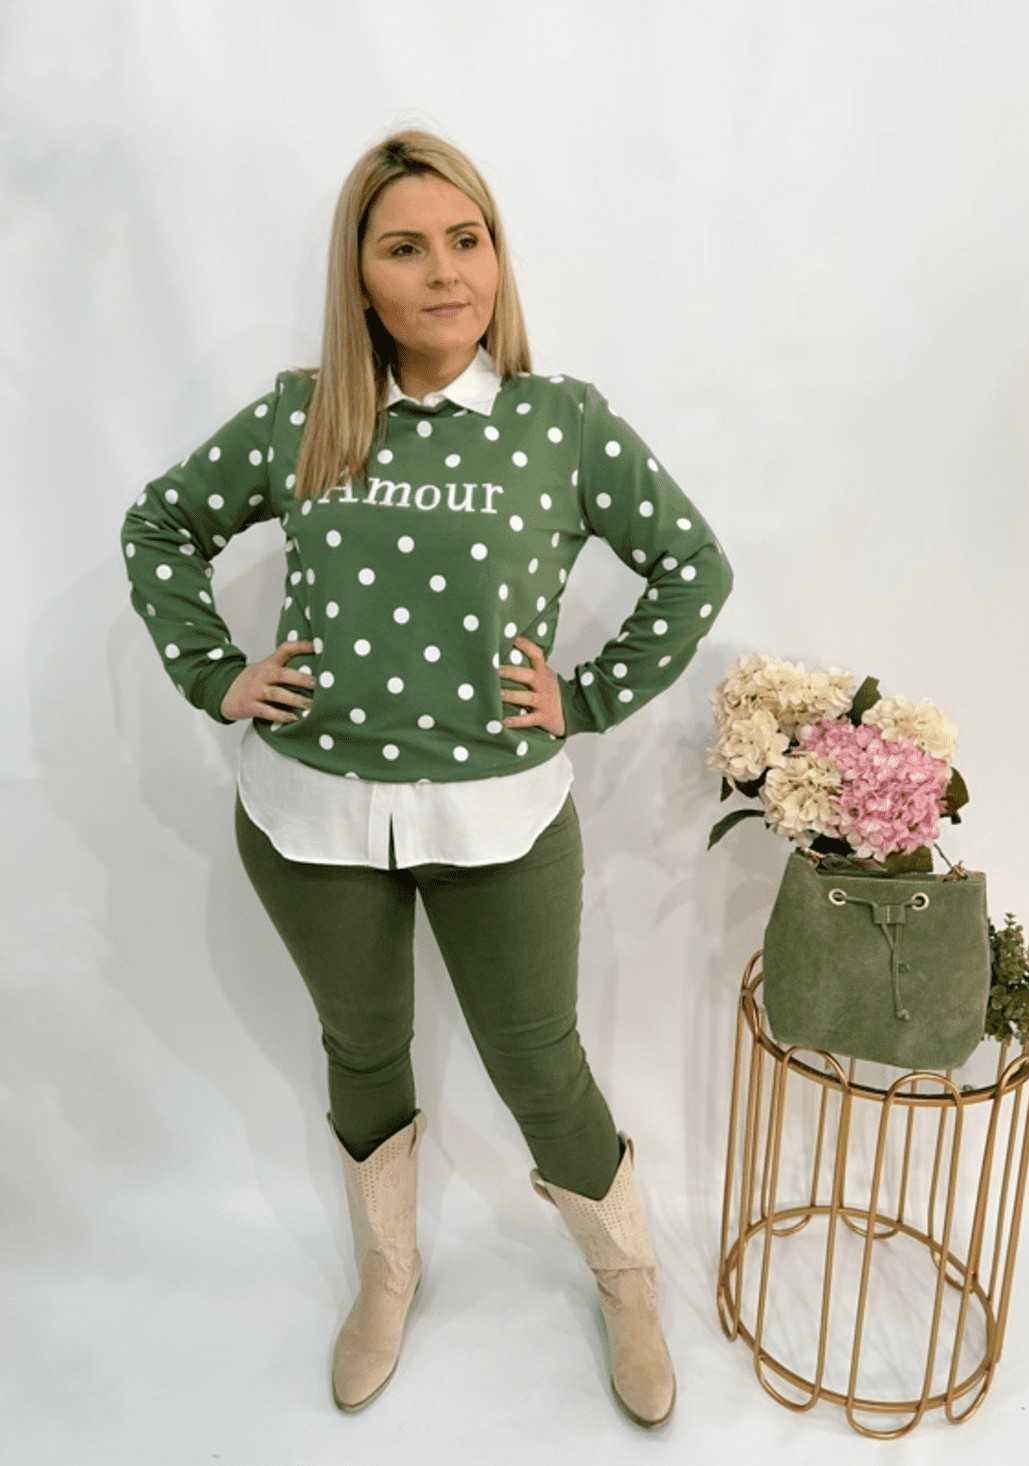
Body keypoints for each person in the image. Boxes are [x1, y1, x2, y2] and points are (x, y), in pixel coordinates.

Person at [120, 127, 733, 1430]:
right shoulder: (305, 416)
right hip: (310, 812)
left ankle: (626, 1278)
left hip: (502, 812)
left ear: (498, 255)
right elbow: (159, 523)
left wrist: (589, 696)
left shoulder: (559, 424)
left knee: (541, 1066)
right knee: (362, 1050)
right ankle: (388, 1274)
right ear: (360, 275)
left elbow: (693, 565)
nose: (446, 271)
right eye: (406, 246)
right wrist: (215, 671)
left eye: (468, 239)